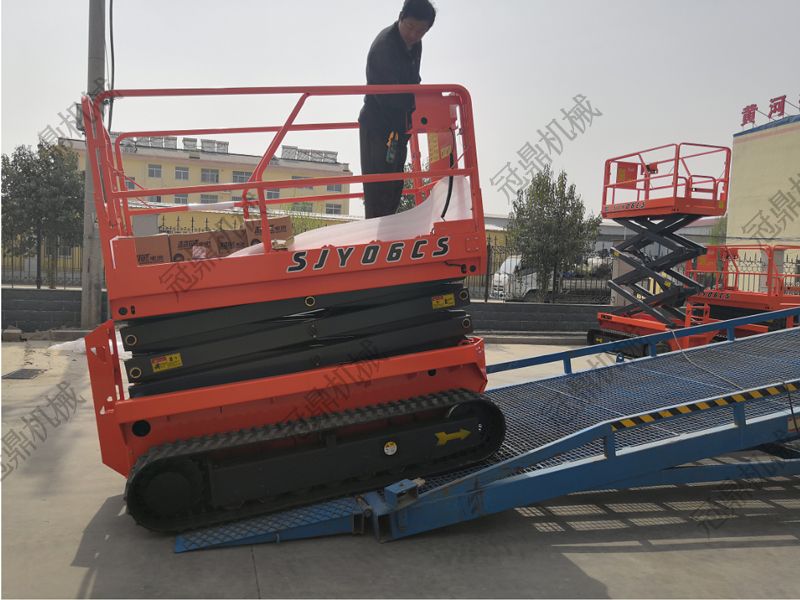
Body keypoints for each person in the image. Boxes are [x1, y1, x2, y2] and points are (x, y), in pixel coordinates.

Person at [358, 0, 436, 219]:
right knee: (379, 190)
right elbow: (388, 96)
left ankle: (388, 232)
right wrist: (415, 104)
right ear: (401, 17)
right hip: (378, 125)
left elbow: (413, 80)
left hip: (398, 127)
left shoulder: (415, 44)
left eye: (421, 31)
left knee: (394, 187)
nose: (414, 35)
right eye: (410, 27)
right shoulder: (384, 46)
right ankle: (376, 234)